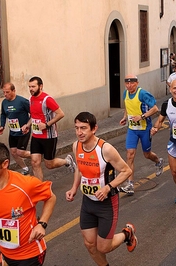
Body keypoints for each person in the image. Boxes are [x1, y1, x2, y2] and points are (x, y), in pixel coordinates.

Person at [66, 112, 137, 265]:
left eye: (83, 128)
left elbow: (126, 171)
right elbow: (79, 168)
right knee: (90, 245)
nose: (79, 132)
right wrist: (74, 188)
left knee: (103, 247)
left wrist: (107, 188)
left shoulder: (106, 149)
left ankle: (127, 233)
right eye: (77, 128)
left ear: (94, 129)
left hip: (107, 203)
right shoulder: (76, 146)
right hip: (88, 202)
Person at [0, 141, 56, 266]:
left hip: (30, 253)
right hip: (5, 252)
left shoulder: (26, 184)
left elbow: (51, 197)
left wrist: (42, 224)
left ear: (5, 164)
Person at [22, 76, 75, 180]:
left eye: (33, 86)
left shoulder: (47, 99)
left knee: (49, 164)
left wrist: (46, 125)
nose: (31, 89)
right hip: (36, 136)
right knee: (35, 162)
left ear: (40, 86)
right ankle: (39, 188)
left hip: (49, 137)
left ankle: (67, 161)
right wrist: (27, 125)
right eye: (29, 87)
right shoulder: (31, 99)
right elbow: (34, 115)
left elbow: (61, 114)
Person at [119, 75, 164, 195]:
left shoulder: (142, 94)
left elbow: (155, 108)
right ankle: (130, 185)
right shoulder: (125, 94)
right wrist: (125, 117)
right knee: (130, 155)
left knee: (147, 154)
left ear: (137, 83)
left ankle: (158, 161)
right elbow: (127, 107)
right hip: (132, 129)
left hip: (144, 128)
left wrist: (142, 116)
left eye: (132, 83)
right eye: (127, 83)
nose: (129, 85)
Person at [0, 82, 31, 175]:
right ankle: (25, 168)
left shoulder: (22, 101)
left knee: (21, 152)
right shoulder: (4, 102)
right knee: (13, 152)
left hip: (23, 131)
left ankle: (37, 155)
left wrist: (27, 125)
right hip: (13, 131)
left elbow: (33, 114)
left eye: (7, 92)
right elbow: (3, 115)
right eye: (4, 92)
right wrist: (2, 126)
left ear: (13, 91)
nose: (5, 94)